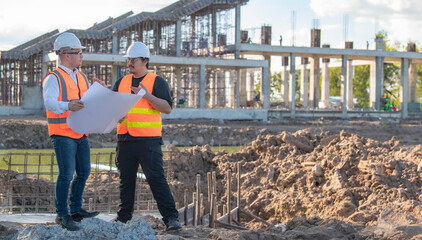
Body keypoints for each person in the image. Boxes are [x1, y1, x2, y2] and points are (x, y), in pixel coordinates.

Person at [112, 42, 181, 231]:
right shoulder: (121, 83)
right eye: (129, 59)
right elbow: (112, 108)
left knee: (156, 179)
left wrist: (146, 96)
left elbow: (167, 108)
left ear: (145, 61)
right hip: (125, 139)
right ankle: (123, 217)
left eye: (134, 59)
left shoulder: (156, 81)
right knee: (126, 180)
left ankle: (171, 218)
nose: (130, 63)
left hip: (148, 141)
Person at [42, 32, 102, 231]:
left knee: (84, 171)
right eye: (79, 53)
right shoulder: (53, 78)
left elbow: (88, 102)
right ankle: (62, 215)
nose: (82, 56)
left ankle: (76, 209)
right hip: (62, 133)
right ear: (67, 55)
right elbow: (49, 102)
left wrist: (98, 90)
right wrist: (68, 106)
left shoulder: (82, 77)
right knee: (66, 174)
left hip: (80, 133)